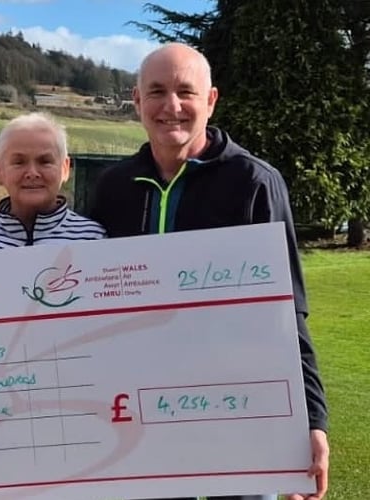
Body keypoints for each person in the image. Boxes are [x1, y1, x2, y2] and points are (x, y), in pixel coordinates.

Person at [90, 43, 329, 500]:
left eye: (186, 91)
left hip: (236, 411)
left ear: (211, 100)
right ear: (137, 100)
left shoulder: (254, 181)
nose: (171, 106)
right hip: (139, 417)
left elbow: (288, 312)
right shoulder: (113, 187)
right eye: (156, 91)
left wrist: (312, 421)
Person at [0, 112, 105, 252]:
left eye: (45, 161)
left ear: (65, 169)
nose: (32, 173)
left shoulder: (92, 238)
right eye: (19, 162)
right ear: (0, 171)